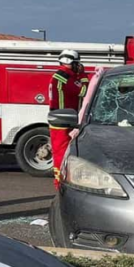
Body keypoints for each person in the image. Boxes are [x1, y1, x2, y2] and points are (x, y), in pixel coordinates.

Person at [49, 49, 89, 188]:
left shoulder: (66, 76)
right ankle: (59, 182)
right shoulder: (63, 77)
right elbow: (83, 91)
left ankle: (63, 179)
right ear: (68, 61)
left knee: (63, 150)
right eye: (76, 63)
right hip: (62, 119)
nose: (78, 66)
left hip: (64, 117)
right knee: (61, 151)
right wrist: (83, 75)